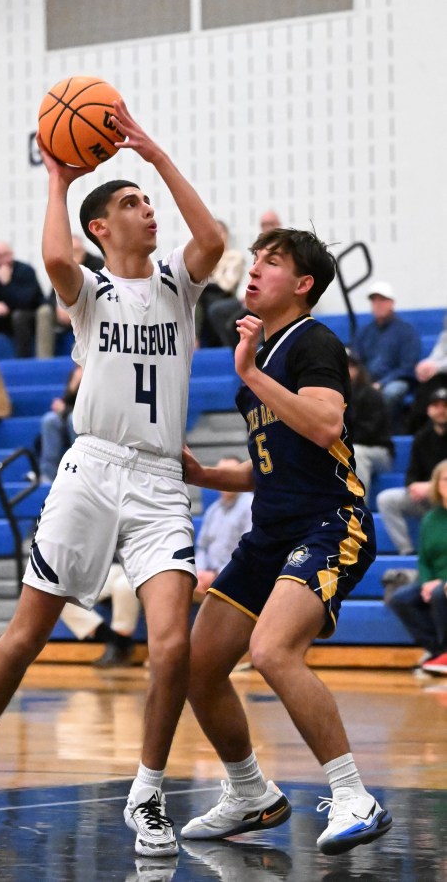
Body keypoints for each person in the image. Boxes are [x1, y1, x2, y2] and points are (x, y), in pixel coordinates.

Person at [0, 99, 225, 857]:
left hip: (160, 481)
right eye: (132, 202)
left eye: (148, 201)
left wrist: (156, 156)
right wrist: (59, 178)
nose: (147, 210)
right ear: (102, 225)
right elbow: (57, 261)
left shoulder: (176, 287)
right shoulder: (90, 290)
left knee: (171, 647)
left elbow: (216, 239)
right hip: (91, 470)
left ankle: (148, 791)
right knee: (28, 630)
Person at [180, 226, 392, 856]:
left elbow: (326, 423)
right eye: (255, 260)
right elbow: (272, 466)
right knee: (199, 667)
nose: (253, 270)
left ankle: (354, 795)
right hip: (271, 529)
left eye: (271, 263)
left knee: (273, 652)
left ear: (302, 285)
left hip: (332, 521)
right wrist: (209, 475)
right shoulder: (263, 359)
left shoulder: (314, 342)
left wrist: (247, 370)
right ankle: (250, 793)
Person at [386, 459, 447, 675]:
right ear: (436, 485)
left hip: (445, 582)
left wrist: (440, 583)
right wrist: (426, 582)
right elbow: (424, 559)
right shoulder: (430, 518)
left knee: (441, 593)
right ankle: (438, 650)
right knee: (400, 599)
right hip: (434, 579)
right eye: (445, 480)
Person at [376, 388, 447, 555]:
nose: (441, 410)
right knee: (386, 499)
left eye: (445, 406)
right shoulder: (422, 437)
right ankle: (407, 551)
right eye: (436, 406)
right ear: (429, 410)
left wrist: (432, 486)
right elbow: (412, 472)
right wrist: (413, 486)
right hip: (427, 498)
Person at [353, 282, 420, 428]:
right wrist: (366, 382)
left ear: (391, 303)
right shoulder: (364, 332)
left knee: (390, 393)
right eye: (374, 300)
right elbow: (357, 362)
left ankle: (383, 432)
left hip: (396, 381)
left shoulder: (406, 331)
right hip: (368, 381)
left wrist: (381, 383)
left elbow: (407, 367)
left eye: (382, 300)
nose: (378, 304)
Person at [0, 241, 54, 359]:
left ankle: (23, 359)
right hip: (6, 318)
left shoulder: (26, 270)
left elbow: (26, 301)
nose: (3, 260)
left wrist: (7, 284)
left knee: (19, 316)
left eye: (5, 255)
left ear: (11, 254)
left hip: (29, 315)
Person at [59, 560, 141, 667]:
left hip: (139, 567)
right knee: (63, 594)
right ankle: (116, 642)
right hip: (107, 566)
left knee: (123, 586)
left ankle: (121, 644)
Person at [194, 458, 253, 601]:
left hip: (239, 577)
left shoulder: (251, 506)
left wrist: (216, 575)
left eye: (229, 473)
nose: (224, 479)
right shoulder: (213, 510)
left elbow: (249, 551)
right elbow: (202, 547)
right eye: (221, 474)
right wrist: (200, 572)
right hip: (208, 577)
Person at [346, 349, 394, 501]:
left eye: (350, 366)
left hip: (378, 451)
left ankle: (359, 508)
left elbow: (370, 432)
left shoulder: (371, 394)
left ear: (358, 369)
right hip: (347, 448)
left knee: (357, 452)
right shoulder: (333, 395)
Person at [196, 220, 245, 348]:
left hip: (225, 299)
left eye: (220, 232)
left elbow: (226, 285)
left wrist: (212, 262)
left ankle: (225, 344)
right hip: (205, 301)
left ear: (226, 235)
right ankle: (194, 339)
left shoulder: (234, 257)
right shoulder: (203, 259)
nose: (216, 236)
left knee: (210, 300)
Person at [50, 235, 105, 347]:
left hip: (87, 309)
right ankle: (44, 356)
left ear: (83, 250)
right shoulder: (62, 266)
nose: (74, 254)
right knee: (45, 312)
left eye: (77, 250)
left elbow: (100, 291)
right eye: (71, 251)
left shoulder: (97, 264)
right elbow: (53, 293)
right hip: (65, 312)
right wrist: (58, 307)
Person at [38, 364, 82, 482]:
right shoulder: (76, 373)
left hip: (87, 419)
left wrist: (65, 410)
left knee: (73, 418)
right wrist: (73, 386)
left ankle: (79, 469)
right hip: (70, 415)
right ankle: (48, 475)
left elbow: (91, 406)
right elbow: (68, 400)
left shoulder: (96, 373)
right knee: (49, 420)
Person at [407, 312, 447, 434]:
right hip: (442, 376)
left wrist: (436, 367)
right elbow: (436, 355)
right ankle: (418, 430)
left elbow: (437, 365)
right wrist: (424, 365)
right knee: (427, 384)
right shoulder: (445, 336)